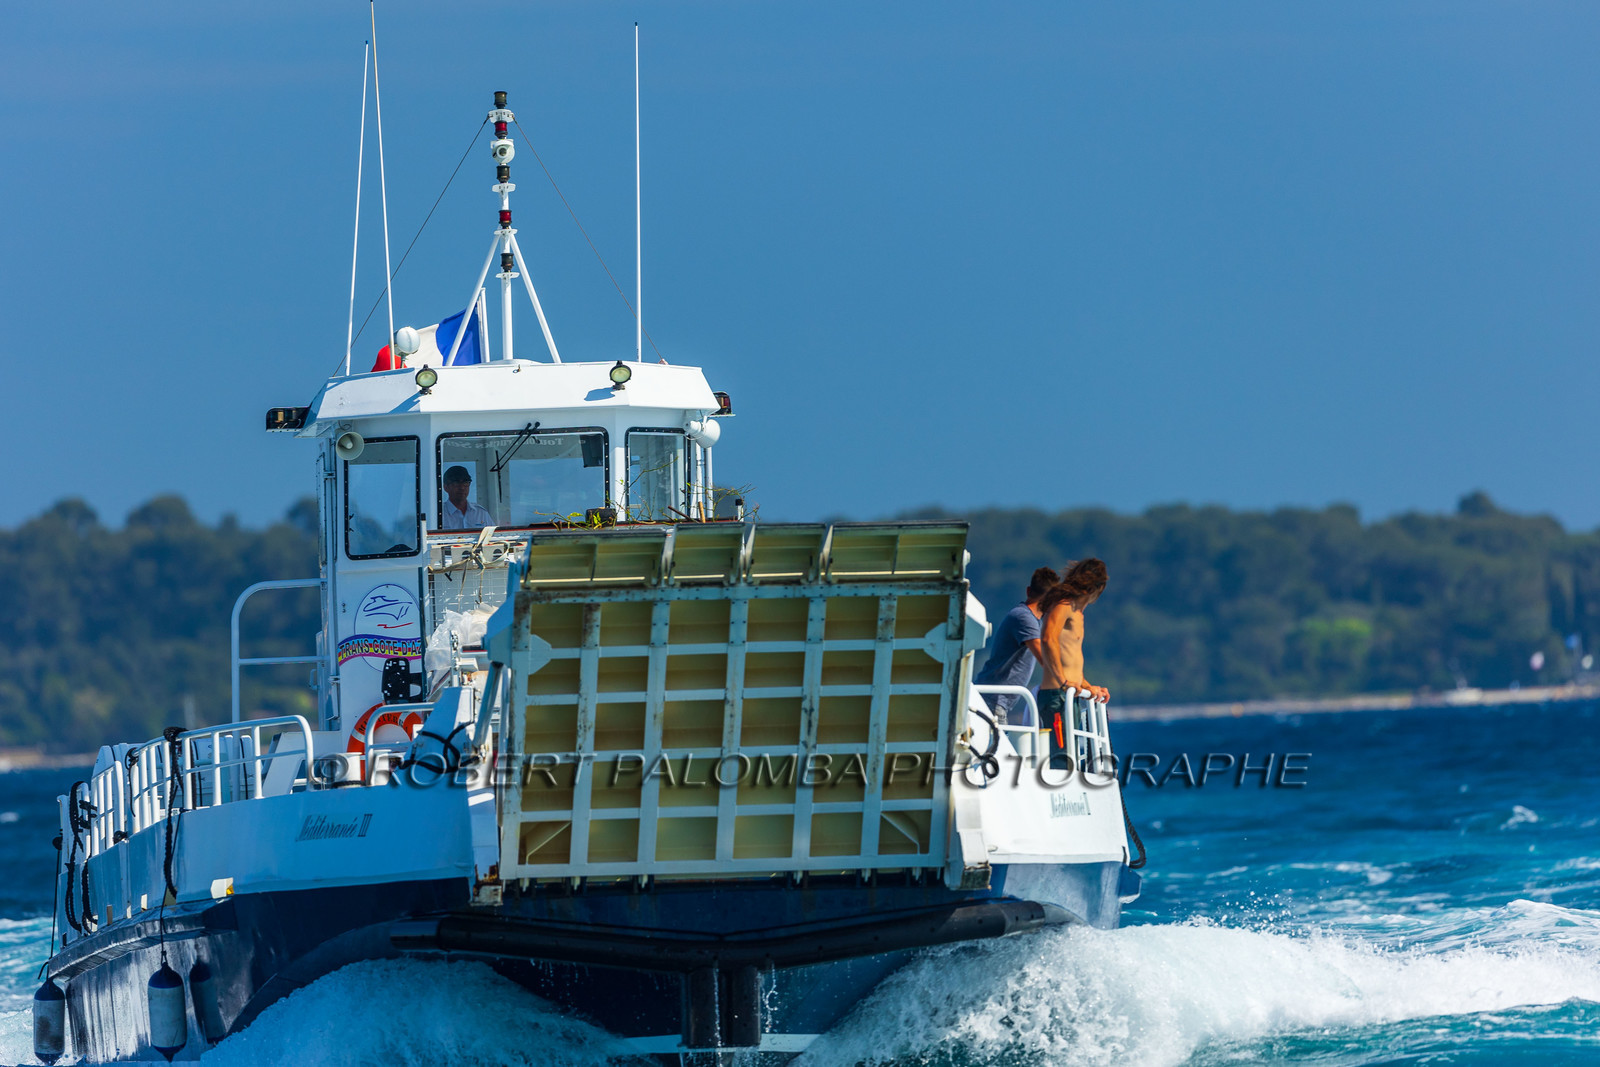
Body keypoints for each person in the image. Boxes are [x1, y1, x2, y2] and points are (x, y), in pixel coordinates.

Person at [1037, 559, 1110, 768]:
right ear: (1097, 588)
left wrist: (1087, 686)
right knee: (1062, 761)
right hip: (1057, 696)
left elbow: (1070, 655)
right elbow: (1048, 638)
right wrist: (1063, 681)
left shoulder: (1078, 613)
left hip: (1069, 695)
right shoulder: (1064, 605)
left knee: (1071, 756)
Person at [973, 566, 1059, 726]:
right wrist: (1073, 682)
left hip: (996, 701)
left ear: (1028, 591)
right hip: (993, 700)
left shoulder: (1030, 620)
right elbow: (1045, 660)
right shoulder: (1023, 618)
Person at [441, 465, 493, 529]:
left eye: (466, 483)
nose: (462, 487)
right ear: (445, 487)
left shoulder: (481, 513)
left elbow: (494, 537)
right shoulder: (440, 513)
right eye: (456, 483)